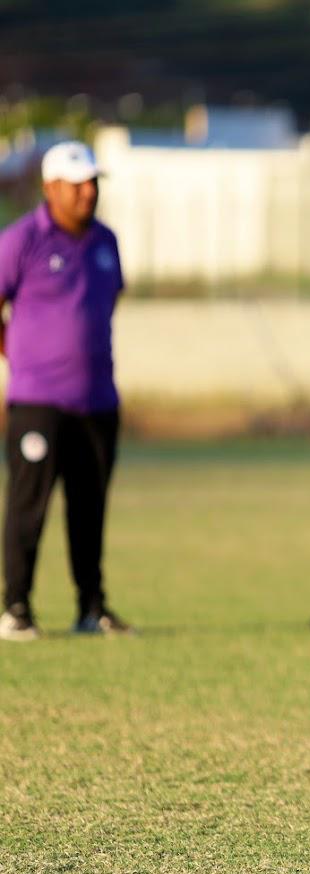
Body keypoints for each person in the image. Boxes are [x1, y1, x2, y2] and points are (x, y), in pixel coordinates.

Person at [0, 142, 130, 641]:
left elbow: (106, 304)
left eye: (92, 183)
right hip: (38, 402)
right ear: (51, 188)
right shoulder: (22, 240)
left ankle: (91, 607)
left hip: (98, 401)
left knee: (90, 508)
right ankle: (16, 607)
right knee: (27, 506)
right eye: (77, 185)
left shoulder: (106, 242)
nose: (88, 193)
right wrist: (20, 353)